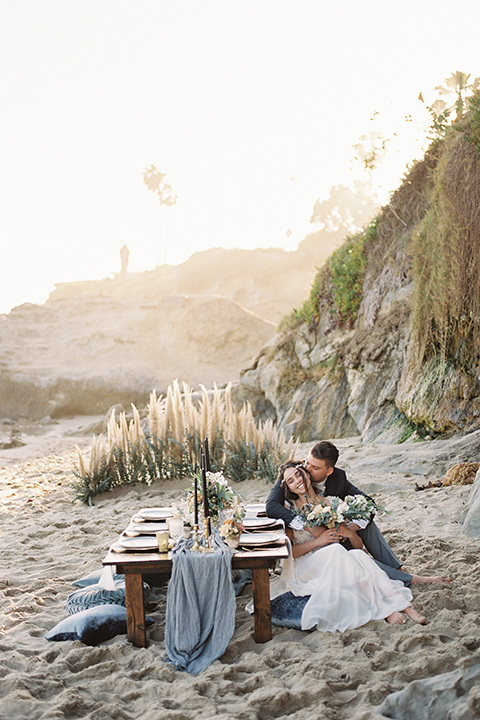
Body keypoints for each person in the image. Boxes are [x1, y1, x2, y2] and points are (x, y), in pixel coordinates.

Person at [266, 442, 450, 587]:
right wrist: (304, 523)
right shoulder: (293, 475)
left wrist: (350, 528)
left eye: (314, 467)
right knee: (354, 557)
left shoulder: (337, 478)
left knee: (366, 522)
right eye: (307, 462)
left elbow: (368, 503)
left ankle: (397, 569)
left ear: (328, 471)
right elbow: (271, 505)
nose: (306, 468)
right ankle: (405, 577)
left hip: (336, 536)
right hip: (316, 546)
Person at [276, 462, 427, 631]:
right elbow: (290, 553)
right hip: (307, 566)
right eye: (290, 481)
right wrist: (319, 541)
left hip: (335, 560)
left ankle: (406, 608)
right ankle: (384, 609)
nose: (297, 481)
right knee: (336, 550)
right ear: (289, 488)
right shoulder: (289, 510)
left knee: (359, 557)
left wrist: (348, 533)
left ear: (307, 474)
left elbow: (358, 547)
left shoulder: (332, 503)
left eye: (298, 475)